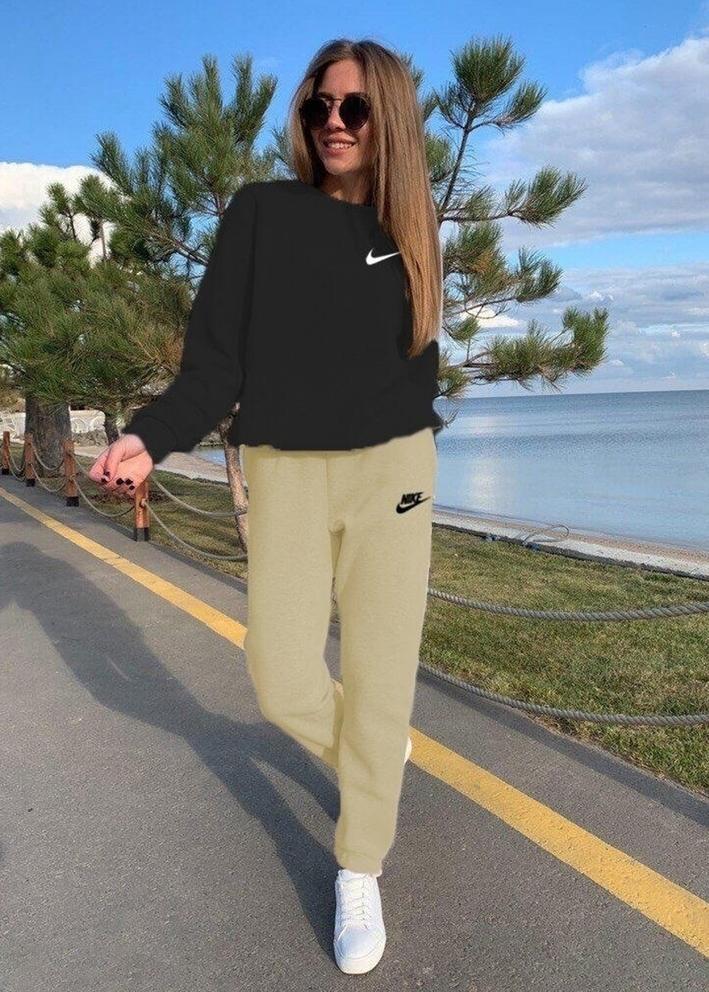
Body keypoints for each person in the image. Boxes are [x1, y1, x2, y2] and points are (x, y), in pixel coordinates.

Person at [90, 37, 443, 976]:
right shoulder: (260, 213)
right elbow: (216, 362)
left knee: (380, 673)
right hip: (286, 468)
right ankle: (376, 752)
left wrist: (409, 454)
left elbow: (417, 361)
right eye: (318, 105)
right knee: (279, 675)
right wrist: (152, 436)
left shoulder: (408, 228)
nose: (333, 121)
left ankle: (358, 863)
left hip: (394, 473)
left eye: (354, 107)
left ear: (387, 119)